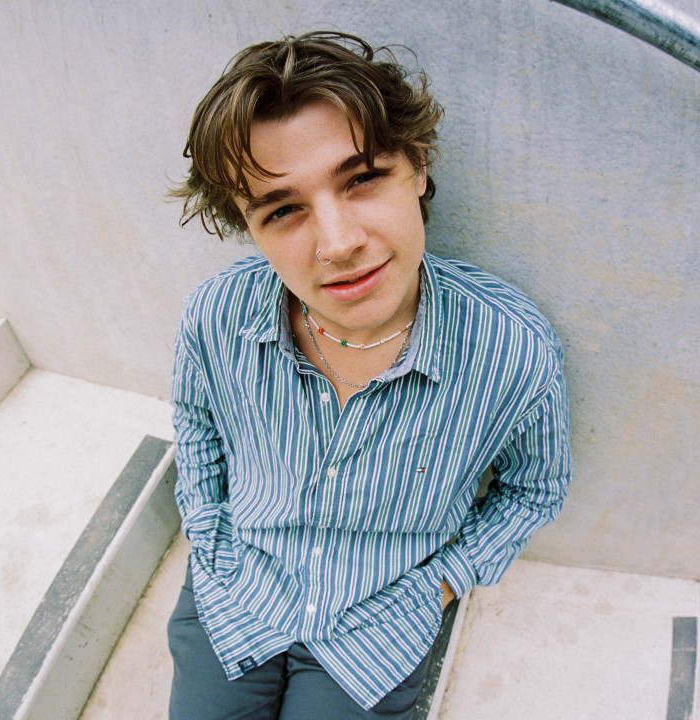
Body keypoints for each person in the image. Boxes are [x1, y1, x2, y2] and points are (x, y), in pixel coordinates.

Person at [167, 31, 572, 720]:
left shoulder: (511, 348)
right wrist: (209, 539)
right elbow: (196, 428)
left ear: (418, 167)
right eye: (283, 209)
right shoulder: (215, 317)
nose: (339, 243)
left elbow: (535, 489)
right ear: (249, 226)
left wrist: (441, 586)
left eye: (362, 179)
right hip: (237, 593)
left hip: (380, 624)